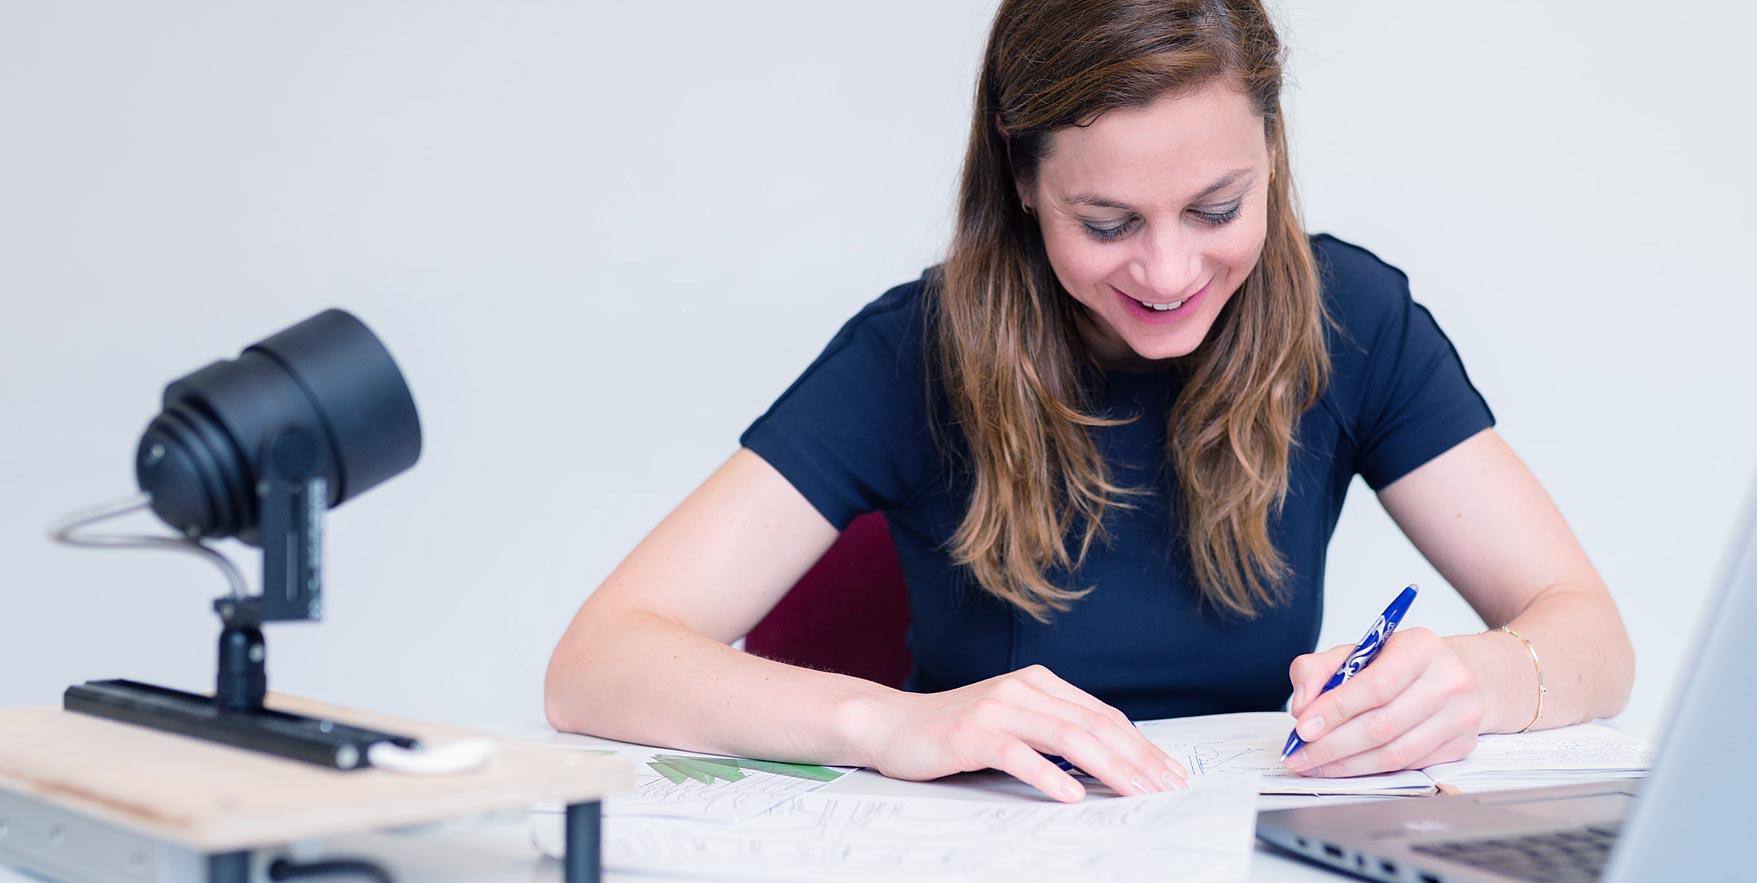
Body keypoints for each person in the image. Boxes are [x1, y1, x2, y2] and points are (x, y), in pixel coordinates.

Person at [544, 0, 1633, 805]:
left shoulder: (1352, 319)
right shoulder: (912, 353)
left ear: (1273, 156)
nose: (1167, 273)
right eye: (1107, 223)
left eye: (1217, 207)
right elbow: (598, 663)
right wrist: (894, 720)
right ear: (1022, 182)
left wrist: (1481, 679)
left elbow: (1592, 637)